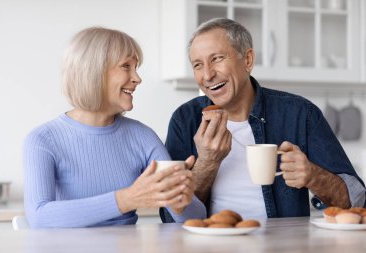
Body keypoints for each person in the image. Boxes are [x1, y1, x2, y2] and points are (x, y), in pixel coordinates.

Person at [161, 18, 365, 222]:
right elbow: (170, 218)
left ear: (248, 60)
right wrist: (206, 162)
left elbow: (358, 202)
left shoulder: (301, 113)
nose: (207, 75)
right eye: (198, 65)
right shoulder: (185, 120)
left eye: (217, 58)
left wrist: (314, 176)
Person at [23, 27, 206, 228]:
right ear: (93, 71)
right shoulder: (43, 140)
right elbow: (39, 216)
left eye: (136, 67)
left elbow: (196, 217)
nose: (137, 78)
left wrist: (182, 200)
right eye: (126, 66)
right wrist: (126, 199)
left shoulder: (142, 136)